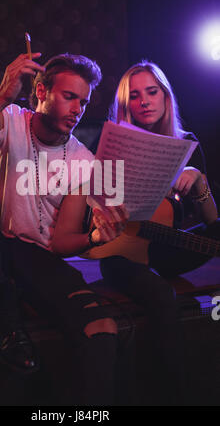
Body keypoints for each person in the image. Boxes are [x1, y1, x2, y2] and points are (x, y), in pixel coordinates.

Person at [0, 51, 133, 405]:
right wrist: (2, 96)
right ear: (40, 92)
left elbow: (62, 241)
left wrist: (93, 238)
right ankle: (2, 298)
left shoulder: (83, 159)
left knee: (103, 329)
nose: (77, 109)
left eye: (83, 101)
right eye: (68, 96)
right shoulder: (9, 119)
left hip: (36, 258)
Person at [101, 60, 220, 403]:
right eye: (135, 96)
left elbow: (213, 221)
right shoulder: (116, 143)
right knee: (162, 299)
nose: (145, 101)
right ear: (126, 104)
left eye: (152, 92)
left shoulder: (187, 143)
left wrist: (198, 179)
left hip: (166, 246)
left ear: (166, 97)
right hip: (122, 251)